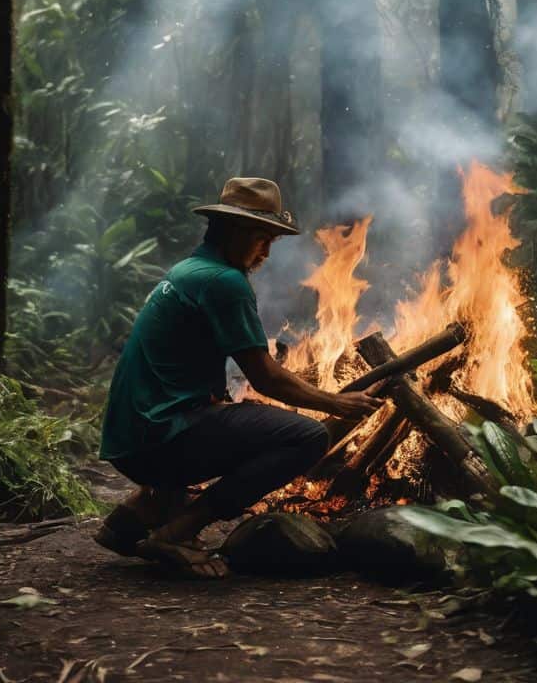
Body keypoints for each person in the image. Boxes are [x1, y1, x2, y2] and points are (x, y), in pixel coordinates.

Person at [94, 177, 384, 578]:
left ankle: (129, 519)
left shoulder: (189, 270)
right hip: (157, 437)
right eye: (262, 238)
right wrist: (336, 403)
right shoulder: (223, 282)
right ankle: (178, 532)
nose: (266, 251)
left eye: (271, 241)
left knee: (230, 416)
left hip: (130, 435)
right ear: (233, 230)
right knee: (308, 436)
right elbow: (265, 378)